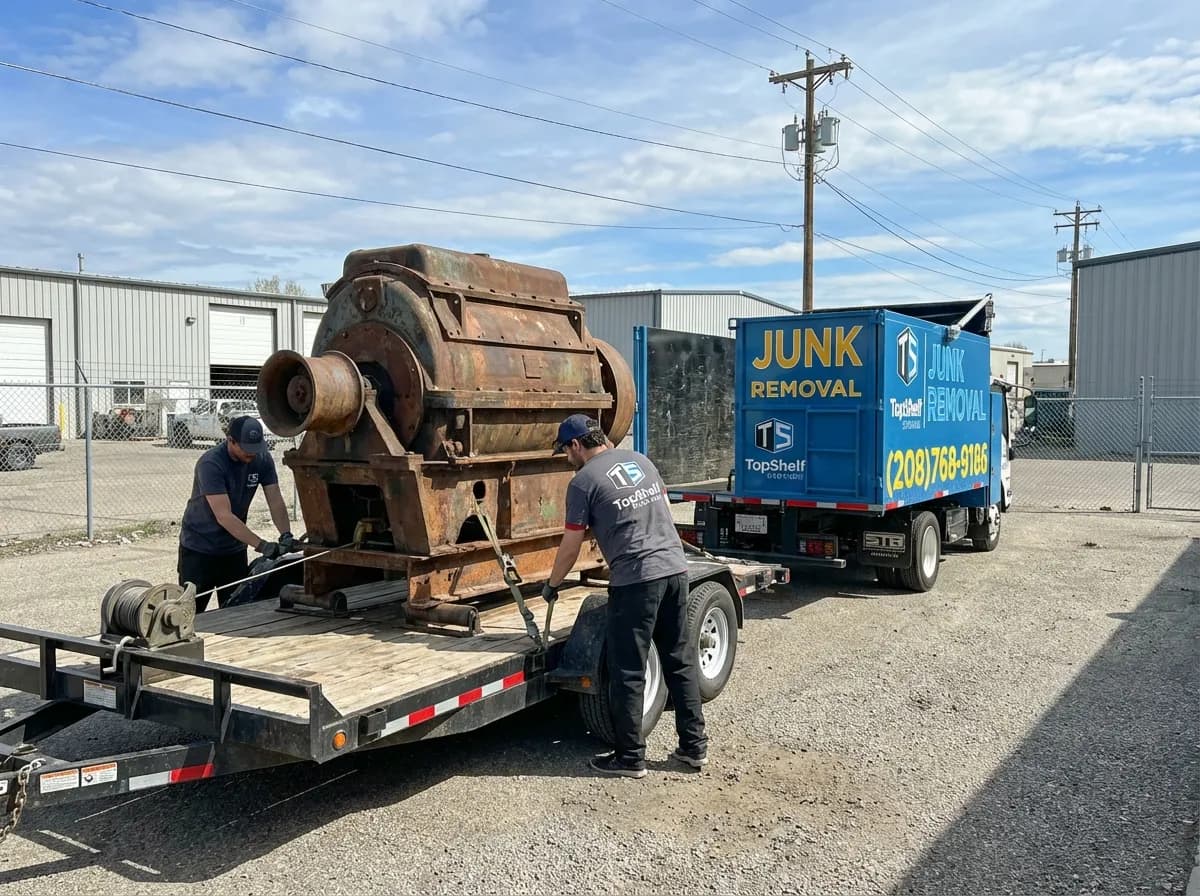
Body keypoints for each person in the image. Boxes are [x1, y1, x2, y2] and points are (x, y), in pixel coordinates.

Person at [542, 414, 707, 778]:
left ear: (575, 445)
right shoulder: (642, 462)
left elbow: (571, 547)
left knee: (628, 669)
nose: (566, 459)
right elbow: (663, 511)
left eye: (565, 451)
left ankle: (630, 757)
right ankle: (694, 748)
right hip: (675, 570)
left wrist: (553, 584)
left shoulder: (583, 481)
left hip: (636, 580)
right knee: (679, 660)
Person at [178, 416, 294, 612]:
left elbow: (275, 499)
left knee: (235, 612)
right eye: (246, 448)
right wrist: (262, 545)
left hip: (233, 552)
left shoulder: (261, 458)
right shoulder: (211, 464)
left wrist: (286, 534)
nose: (252, 454)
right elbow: (224, 516)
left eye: (255, 447)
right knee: (191, 615)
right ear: (230, 440)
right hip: (199, 550)